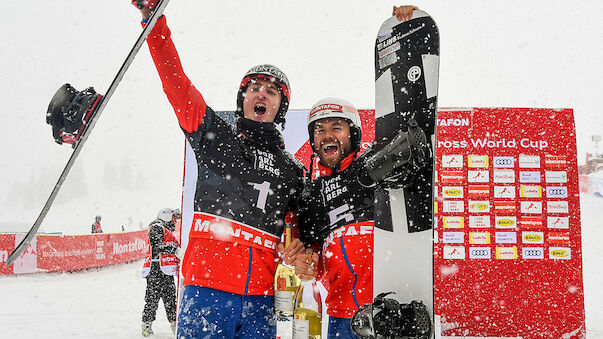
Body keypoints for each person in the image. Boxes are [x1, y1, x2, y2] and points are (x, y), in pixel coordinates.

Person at [132, 2, 306, 337]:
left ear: (280, 107)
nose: (261, 94)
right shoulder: (217, 136)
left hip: (261, 302)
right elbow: (176, 84)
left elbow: (295, 234)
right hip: (206, 292)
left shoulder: (293, 170)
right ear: (242, 99)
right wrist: (153, 21)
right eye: (254, 87)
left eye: (271, 91)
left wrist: (296, 250)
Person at [296, 96, 427, 336]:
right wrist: (307, 264)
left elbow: (409, 163)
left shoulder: (370, 164)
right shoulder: (310, 195)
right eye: (320, 130)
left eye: (336, 127)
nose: (327, 135)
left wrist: (404, 154)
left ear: (353, 133)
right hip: (341, 316)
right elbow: (311, 255)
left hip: (389, 312)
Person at [141, 208, 181, 337]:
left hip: (166, 271)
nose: (175, 220)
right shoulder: (156, 228)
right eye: (173, 217)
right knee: (152, 299)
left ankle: (175, 326)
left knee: (171, 300)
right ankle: (146, 326)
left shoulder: (168, 231)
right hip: (155, 270)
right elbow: (156, 247)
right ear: (167, 217)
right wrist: (174, 250)